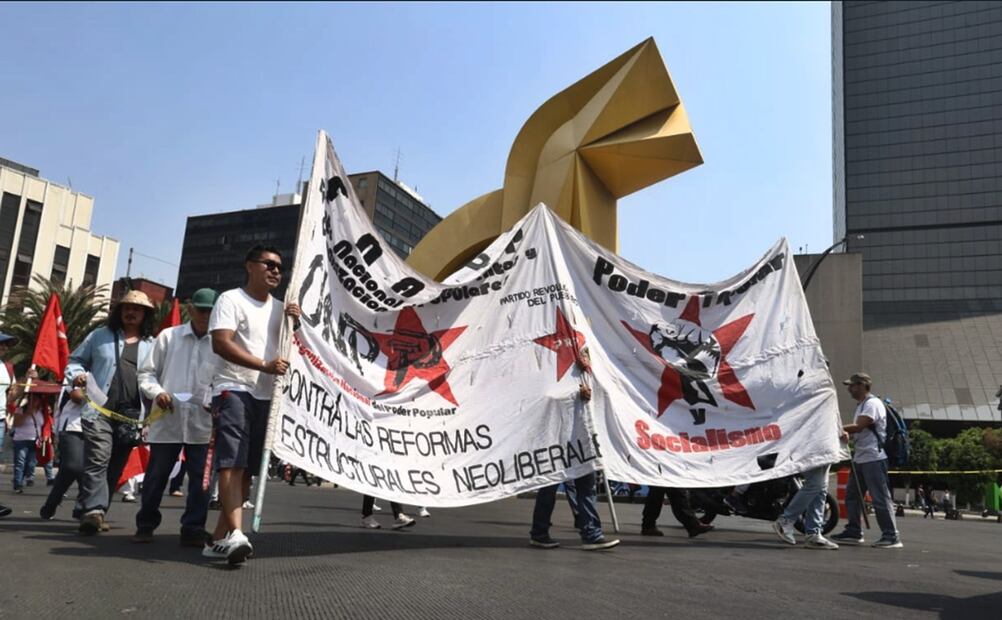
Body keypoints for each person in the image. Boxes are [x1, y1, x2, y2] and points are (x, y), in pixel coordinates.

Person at [203, 246, 299, 565]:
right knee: (232, 462)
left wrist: (295, 325)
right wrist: (263, 365)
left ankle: (218, 538)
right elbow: (221, 343)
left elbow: (290, 350)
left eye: (279, 267)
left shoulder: (283, 308)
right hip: (234, 388)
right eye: (268, 264)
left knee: (247, 469)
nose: (275, 270)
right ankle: (236, 535)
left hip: (265, 395)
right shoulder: (230, 300)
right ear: (249, 266)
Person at [65, 290, 157, 535]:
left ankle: (93, 510)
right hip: (98, 412)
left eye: (137, 309)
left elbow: (158, 378)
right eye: (127, 307)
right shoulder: (99, 336)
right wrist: (77, 376)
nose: (131, 312)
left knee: (115, 466)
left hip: (131, 417)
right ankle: (93, 511)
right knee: (98, 458)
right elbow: (74, 361)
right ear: (119, 311)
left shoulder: (153, 345)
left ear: (145, 315)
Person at [134, 288, 220, 546]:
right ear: (190, 309)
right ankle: (146, 524)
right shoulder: (168, 337)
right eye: (201, 309)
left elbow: (227, 380)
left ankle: (193, 528)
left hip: (202, 424)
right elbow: (146, 373)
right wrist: (157, 392)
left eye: (211, 310)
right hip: (168, 419)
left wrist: (215, 401)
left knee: (200, 481)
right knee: (156, 476)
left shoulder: (222, 343)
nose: (205, 315)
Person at [529, 383, 619, 551]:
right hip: (556, 440)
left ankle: (591, 534)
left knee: (587, 487)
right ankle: (539, 533)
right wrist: (575, 393)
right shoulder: (557, 371)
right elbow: (548, 396)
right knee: (549, 489)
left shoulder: (586, 372)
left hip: (580, 441)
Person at [830, 373, 903, 549]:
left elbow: (860, 426)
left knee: (879, 498)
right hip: (861, 458)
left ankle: (891, 535)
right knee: (852, 496)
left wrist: (834, 427)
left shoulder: (872, 404)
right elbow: (859, 430)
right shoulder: (862, 405)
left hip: (873, 458)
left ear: (862, 385)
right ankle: (854, 531)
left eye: (852, 385)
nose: (849, 389)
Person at [771, 464, 839, 550]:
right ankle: (786, 520)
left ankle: (813, 534)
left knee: (821, 488)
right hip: (813, 452)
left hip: (827, 452)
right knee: (815, 485)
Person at [40, 392, 87, 520]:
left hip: (98, 427)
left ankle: (81, 507)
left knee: (80, 470)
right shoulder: (75, 374)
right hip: (73, 427)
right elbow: (76, 397)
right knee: (74, 467)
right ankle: (54, 502)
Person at [642, 487, 714, 538]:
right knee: (659, 492)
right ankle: (693, 525)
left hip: (665, 468)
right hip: (660, 468)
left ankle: (693, 525)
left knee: (663, 492)